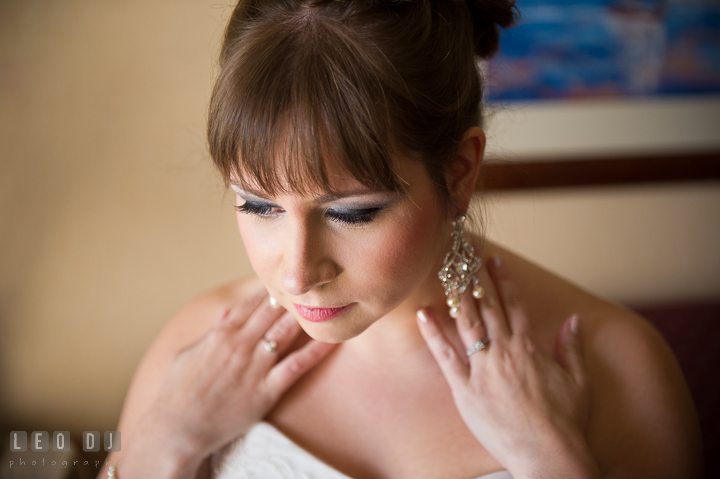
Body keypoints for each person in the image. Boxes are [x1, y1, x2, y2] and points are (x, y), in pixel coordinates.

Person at [98, 1, 703, 478]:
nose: (296, 273)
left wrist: (554, 464)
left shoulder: (621, 368)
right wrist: (163, 449)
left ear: (460, 173)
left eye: (353, 213)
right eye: (258, 205)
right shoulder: (195, 349)